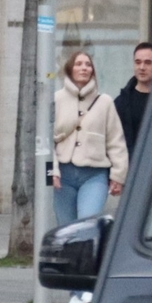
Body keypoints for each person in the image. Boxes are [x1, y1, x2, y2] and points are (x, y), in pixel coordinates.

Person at [52, 49, 127, 224]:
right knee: (65, 228)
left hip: (94, 176)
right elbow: (47, 143)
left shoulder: (105, 102)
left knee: (87, 225)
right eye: (79, 64)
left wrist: (118, 175)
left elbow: (116, 141)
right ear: (70, 69)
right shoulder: (56, 99)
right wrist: (50, 174)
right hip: (63, 176)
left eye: (88, 64)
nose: (84, 68)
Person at [113, 42, 152, 157]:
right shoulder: (121, 103)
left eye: (148, 63)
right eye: (138, 62)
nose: (142, 67)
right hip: (131, 168)